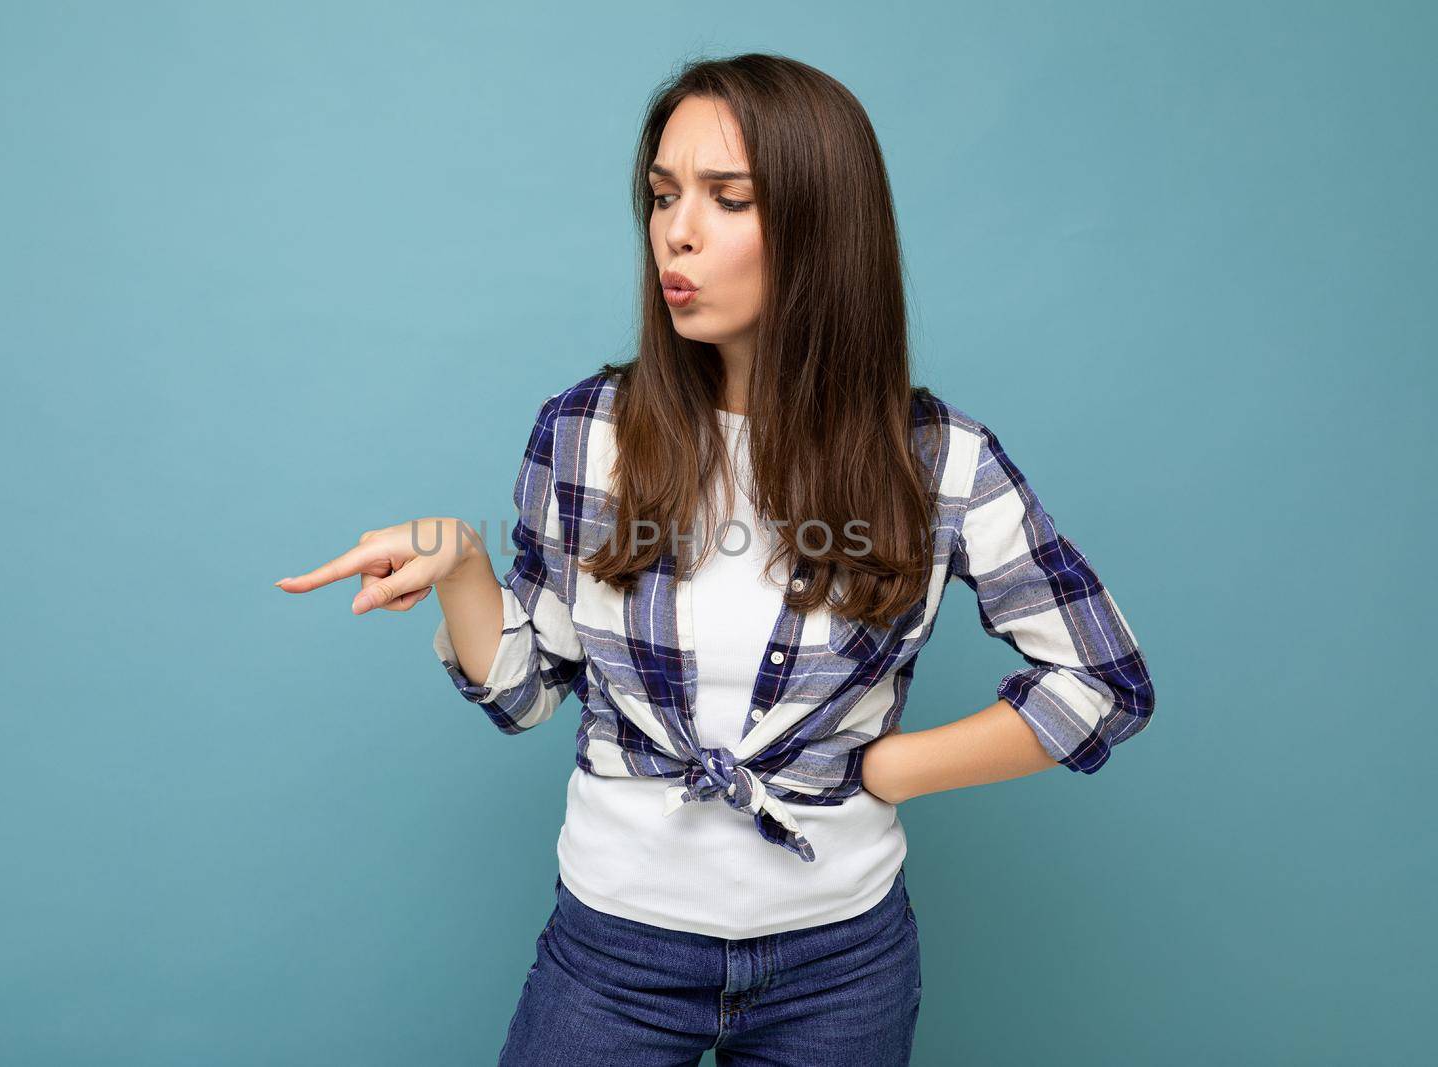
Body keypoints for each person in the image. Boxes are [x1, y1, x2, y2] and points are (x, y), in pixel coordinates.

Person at [275, 52, 1155, 1067]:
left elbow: (1103, 678)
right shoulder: (584, 434)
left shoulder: (939, 460)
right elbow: (523, 694)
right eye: (661, 196)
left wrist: (892, 766)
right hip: (611, 956)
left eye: (726, 199)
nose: (675, 231)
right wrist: (465, 566)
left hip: (841, 966)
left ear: (824, 228)